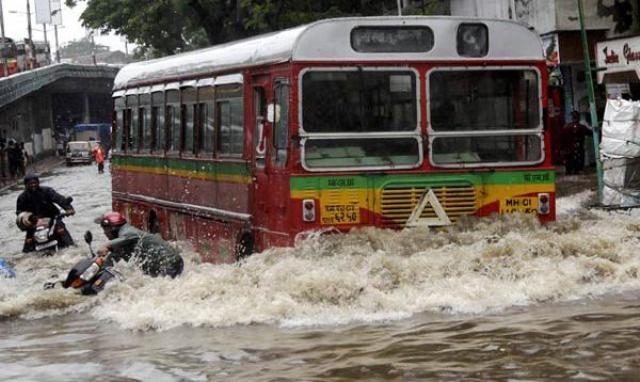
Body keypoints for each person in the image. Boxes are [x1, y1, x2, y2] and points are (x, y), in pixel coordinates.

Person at [96, 212, 184, 278]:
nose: (104, 233)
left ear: (113, 228)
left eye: (105, 229)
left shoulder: (127, 232)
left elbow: (125, 238)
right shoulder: (122, 243)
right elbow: (111, 260)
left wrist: (106, 245)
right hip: (164, 264)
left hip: (168, 262)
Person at [16, 174, 75, 252]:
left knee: (63, 232)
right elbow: (19, 212)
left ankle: (73, 249)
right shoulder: (22, 197)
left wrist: (69, 209)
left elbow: (59, 199)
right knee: (28, 243)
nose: (33, 185)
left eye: (35, 183)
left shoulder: (47, 191)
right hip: (34, 223)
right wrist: (25, 219)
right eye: (30, 184)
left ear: (38, 182)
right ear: (26, 185)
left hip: (52, 219)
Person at [561, 110, 591, 175]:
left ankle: (570, 171)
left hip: (568, 150)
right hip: (578, 149)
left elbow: (561, 139)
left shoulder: (566, 127)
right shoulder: (582, 127)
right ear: (578, 118)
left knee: (569, 165)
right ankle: (577, 170)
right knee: (578, 165)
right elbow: (590, 133)